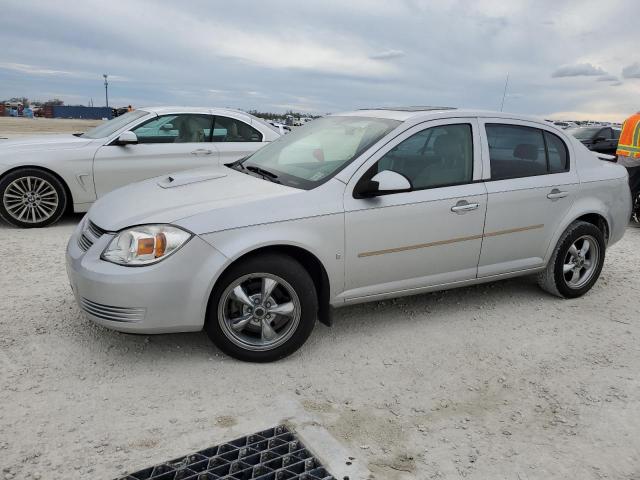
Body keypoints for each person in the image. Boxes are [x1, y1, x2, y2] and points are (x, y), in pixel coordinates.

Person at [616, 111, 640, 220]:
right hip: (635, 159)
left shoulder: (628, 120)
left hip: (622, 158)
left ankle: (620, 211)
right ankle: (627, 214)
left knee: (625, 187)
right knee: (632, 189)